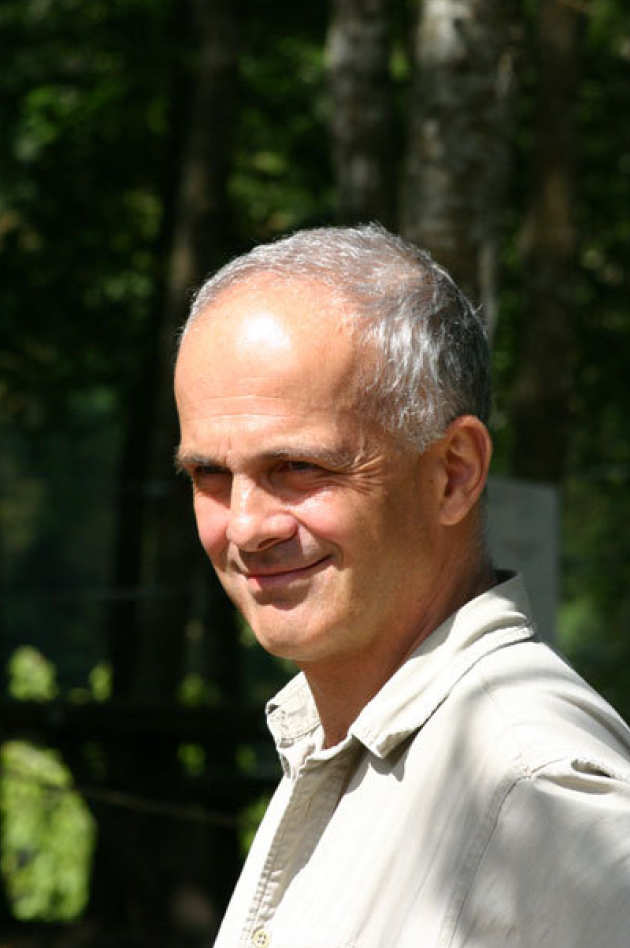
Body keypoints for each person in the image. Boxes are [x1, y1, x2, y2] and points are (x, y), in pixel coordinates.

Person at [174, 224, 630, 948]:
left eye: (299, 468)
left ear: (453, 473)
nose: (247, 525)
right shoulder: (343, 743)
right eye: (209, 475)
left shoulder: (536, 790)